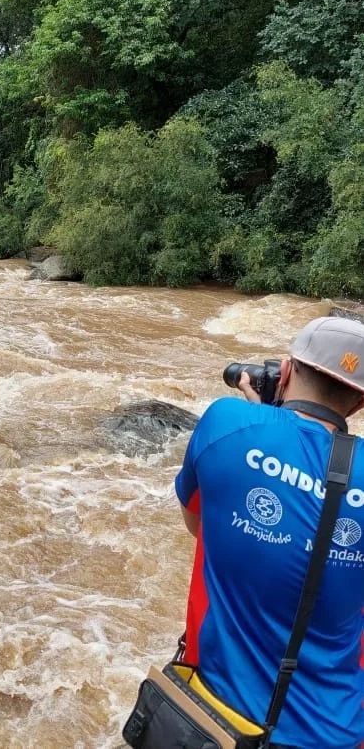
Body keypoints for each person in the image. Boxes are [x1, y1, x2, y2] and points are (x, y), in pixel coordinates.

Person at [174, 316, 364, 748]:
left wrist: (267, 420)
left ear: (286, 370)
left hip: (218, 714)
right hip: (333, 730)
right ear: (358, 404)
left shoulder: (228, 422)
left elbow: (198, 524)